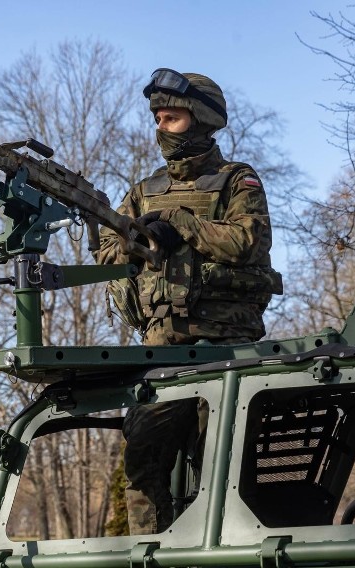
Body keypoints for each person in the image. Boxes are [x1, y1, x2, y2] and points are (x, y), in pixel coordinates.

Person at [97, 69, 282, 535]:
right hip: (163, 348)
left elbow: (248, 242)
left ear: (200, 119)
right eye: (158, 118)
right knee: (142, 464)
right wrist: (135, 241)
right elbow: (106, 250)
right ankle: (151, 553)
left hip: (228, 347)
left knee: (222, 468)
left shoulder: (237, 179)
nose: (162, 128)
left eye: (172, 118)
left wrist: (180, 224)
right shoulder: (144, 192)